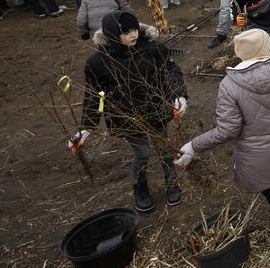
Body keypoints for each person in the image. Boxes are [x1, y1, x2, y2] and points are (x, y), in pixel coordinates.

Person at [175, 28, 270, 244]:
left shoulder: (230, 85)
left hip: (260, 151)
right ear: (266, 46)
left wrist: (194, 145)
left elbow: (228, 129)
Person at [72, 11, 187, 212]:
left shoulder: (152, 49)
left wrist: (178, 95)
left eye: (134, 29)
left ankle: (172, 183)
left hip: (155, 109)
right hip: (127, 117)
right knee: (142, 153)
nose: (133, 35)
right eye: (125, 32)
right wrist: (87, 127)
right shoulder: (98, 62)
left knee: (164, 149)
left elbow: (171, 71)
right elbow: (95, 96)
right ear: (112, 35)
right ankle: (140, 188)